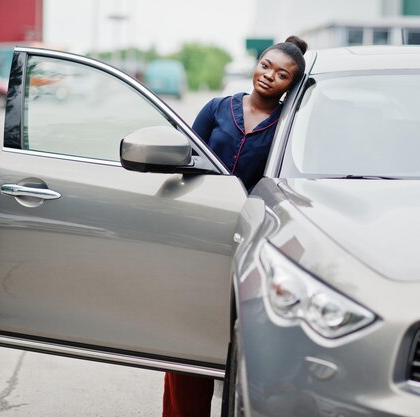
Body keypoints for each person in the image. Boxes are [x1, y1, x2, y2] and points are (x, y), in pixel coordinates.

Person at [162, 35, 308, 417]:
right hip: (200, 225)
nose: (269, 76)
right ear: (255, 64)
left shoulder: (287, 127)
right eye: (266, 66)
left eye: (282, 75)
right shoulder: (218, 108)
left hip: (250, 233)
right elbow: (184, 156)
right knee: (187, 331)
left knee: (241, 335)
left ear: (290, 85)